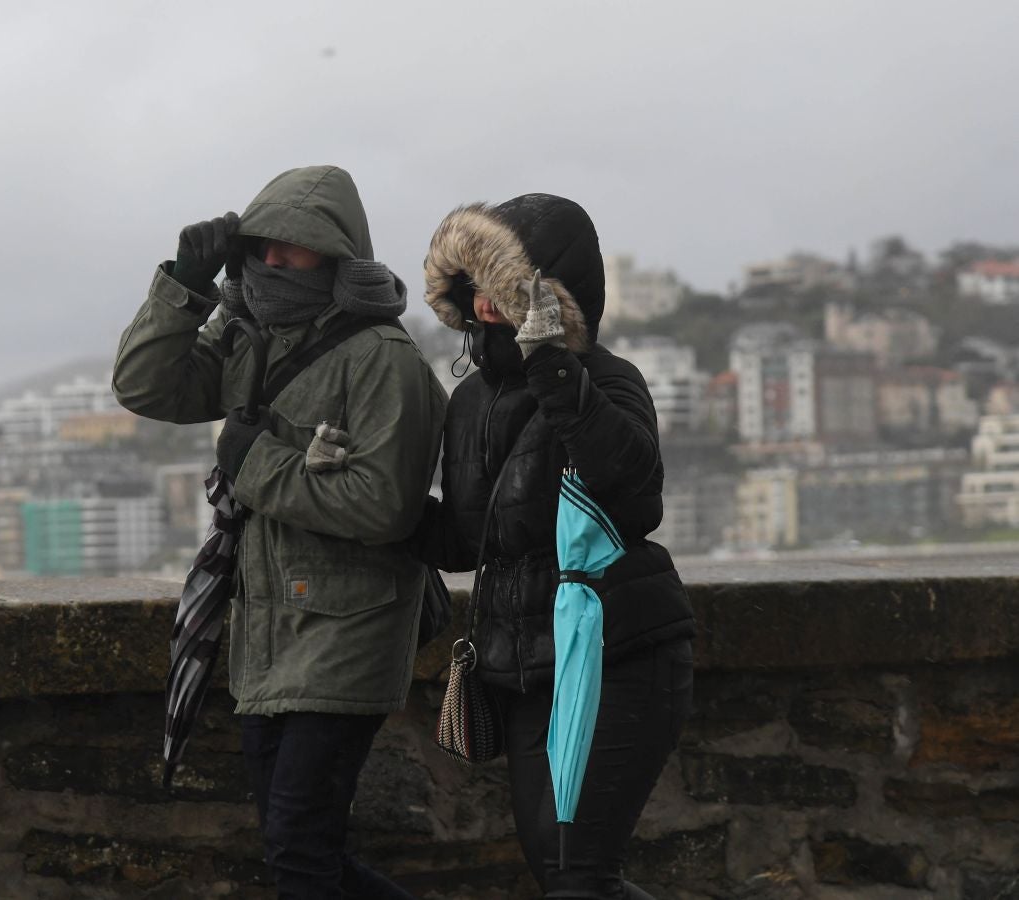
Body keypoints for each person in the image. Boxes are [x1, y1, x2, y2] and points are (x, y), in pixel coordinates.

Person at [111, 165, 445, 899]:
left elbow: (384, 507)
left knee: (299, 853)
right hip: (268, 633)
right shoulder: (247, 336)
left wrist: (253, 460)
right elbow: (145, 385)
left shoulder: (382, 358)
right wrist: (184, 286)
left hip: (348, 630)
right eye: (260, 247)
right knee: (301, 854)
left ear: (336, 256)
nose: (272, 261)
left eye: (293, 248)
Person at [411, 195, 695, 898]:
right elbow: (468, 541)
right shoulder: (471, 401)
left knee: (576, 874)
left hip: (618, 654)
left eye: (502, 284)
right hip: (525, 668)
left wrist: (555, 368)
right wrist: (360, 496)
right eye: (472, 283)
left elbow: (635, 492)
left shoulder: (607, 378)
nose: (484, 302)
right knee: (562, 872)